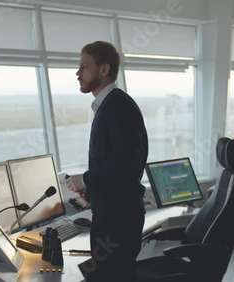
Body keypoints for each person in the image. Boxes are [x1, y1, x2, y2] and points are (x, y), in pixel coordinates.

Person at [66, 41, 148, 281]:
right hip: (115, 214)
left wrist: (86, 179)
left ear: (103, 69)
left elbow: (126, 162)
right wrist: (91, 189)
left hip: (118, 220)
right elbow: (117, 164)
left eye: (84, 67)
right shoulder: (110, 105)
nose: (78, 73)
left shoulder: (117, 106)